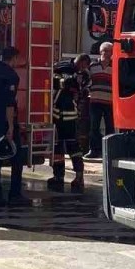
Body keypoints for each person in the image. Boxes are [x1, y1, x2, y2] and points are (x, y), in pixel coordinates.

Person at [0, 46, 27, 207]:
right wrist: (10, 127)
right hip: (6, 121)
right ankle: (14, 194)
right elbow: (9, 104)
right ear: (14, 58)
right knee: (17, 158)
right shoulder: (11, 75)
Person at [48, 62, 86, 193]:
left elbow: (57, 82)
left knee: (59, 148)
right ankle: (78, 177)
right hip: (71, 118)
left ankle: (59, 177)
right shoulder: (76, 80)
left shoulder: (59, 79)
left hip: (59, 119)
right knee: (72, 148)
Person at [85, 41, 113, 159]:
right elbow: (86, 82)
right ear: (100, 52)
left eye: (109, 51)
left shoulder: (115, 66)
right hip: (95, 101)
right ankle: (94, 150)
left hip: (110, 102)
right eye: (104, 51)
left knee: (110, 127)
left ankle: (110, 151)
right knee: (93, 127)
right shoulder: (92, 66)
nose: (106, 53)